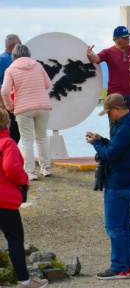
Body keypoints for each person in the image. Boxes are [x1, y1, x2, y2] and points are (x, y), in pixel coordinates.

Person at [86, 94, 130, 280]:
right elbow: (117, 148)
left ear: (117, 109)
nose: (109, 116)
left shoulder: (125, 128)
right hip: (129, 181)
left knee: (114, 226)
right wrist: (101, 140)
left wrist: (96, 144)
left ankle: (118, 267)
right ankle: (126, 266)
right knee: (124, 224)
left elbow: (112, 154)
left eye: (109, 112)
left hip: (118, 183)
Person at [0, 109, 48, 288]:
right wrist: (23, 179)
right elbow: (11, 168)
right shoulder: (7, 142)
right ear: (6, 123)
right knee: (14, 239)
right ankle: (25, 281)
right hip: (4, 201)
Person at [1, 45, 52, 180]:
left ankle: (30, 172)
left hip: (23, 108)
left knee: (27, 140)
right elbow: (48, 84)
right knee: (41, 137)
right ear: (28, 54)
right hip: (43, 106)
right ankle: (46, 168)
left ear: (13, 56)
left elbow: (5, 91)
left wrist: (11, 107)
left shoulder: (11, 69)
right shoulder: (38, 66)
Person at [86, 26, 130, 110]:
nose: (128, 39)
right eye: (124, 37)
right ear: (116, 39)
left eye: (128, 36)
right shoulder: (108, 52)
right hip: (114, 94)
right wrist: (89, 55)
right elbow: (95, 59)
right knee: (115, 122)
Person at [0, 34, 22, 143]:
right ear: (13, 45)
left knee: (16, 132)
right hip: (6, 103)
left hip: (16, 103)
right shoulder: (3, 60)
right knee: (13, 132)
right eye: (20, 44)